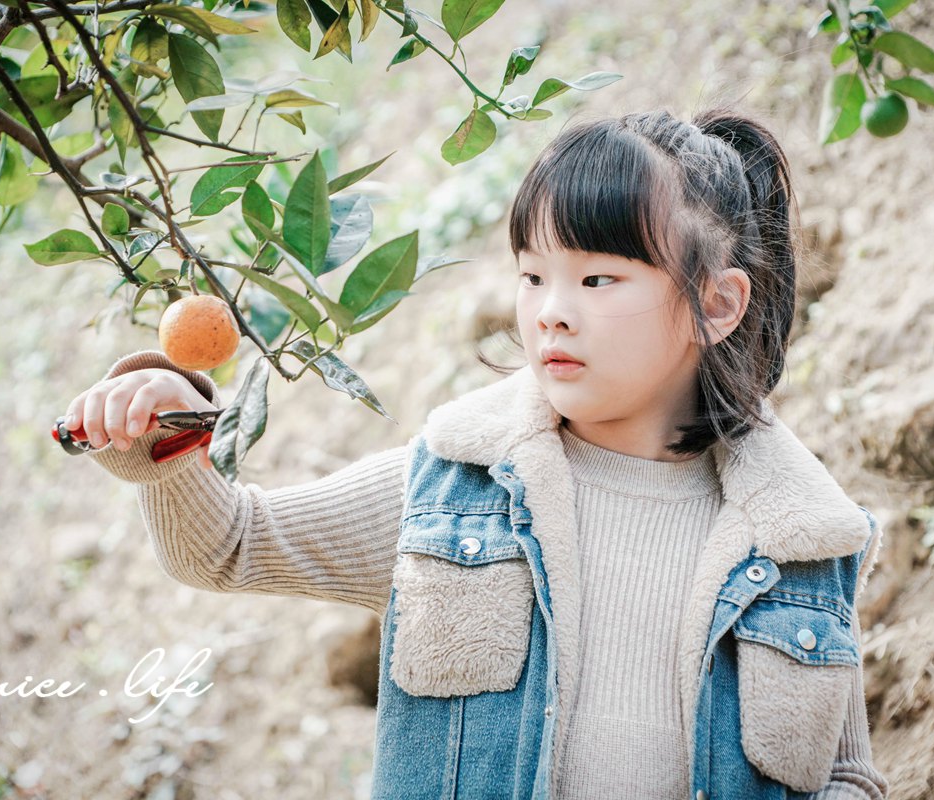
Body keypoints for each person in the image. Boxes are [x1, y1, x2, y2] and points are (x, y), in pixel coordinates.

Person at [64, 106, 890, 799]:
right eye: (535, 276)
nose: (552, 313)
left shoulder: (800, 541)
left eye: (598, 280)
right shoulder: (449, 492)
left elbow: (846, 773)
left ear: (716, 304)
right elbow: (229, 545)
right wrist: (168, 433)